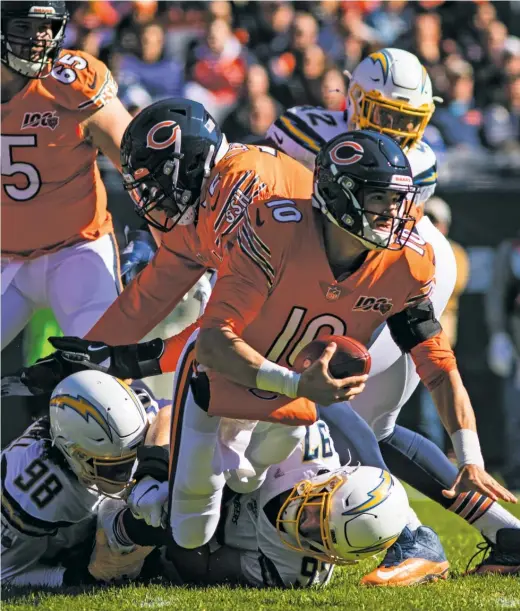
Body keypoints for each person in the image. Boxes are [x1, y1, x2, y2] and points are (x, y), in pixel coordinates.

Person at [264, 48, 520, 581]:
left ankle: (411, 536)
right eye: (383, 115)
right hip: (355, 267)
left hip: (392, 265)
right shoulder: (300, 129)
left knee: (318, 381)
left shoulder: (414, 160)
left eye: (408, 121)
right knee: (374, 430)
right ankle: (507, 535)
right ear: (355, 100)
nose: (397, 132)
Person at [89, 420, 411, 587]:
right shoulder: (302, 443)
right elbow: (186, 419)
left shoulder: (295, 571)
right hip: (187, 462)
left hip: (184, 534)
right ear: (333, 479)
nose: (305, 525)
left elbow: (201, 566)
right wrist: (155, 475)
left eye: (320, 538)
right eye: (317, 511)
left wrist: (180, 522)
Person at [1, 0, 132, 350]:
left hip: (77, 251)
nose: (38, 40)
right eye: (23, 28)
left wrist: (169, 242)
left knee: (103, 373)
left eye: (45, 28)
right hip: (5, 259)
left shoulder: (71, 83)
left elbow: (140, 165)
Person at [1, 370, 162, 587]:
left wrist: (157, 465)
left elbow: (169, 414)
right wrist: (81, 575)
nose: (128, 474)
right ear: (76, 455)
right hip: (73, 546)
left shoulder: (131, 407)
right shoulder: (28, 493)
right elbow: (5, 575)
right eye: (117, 469)